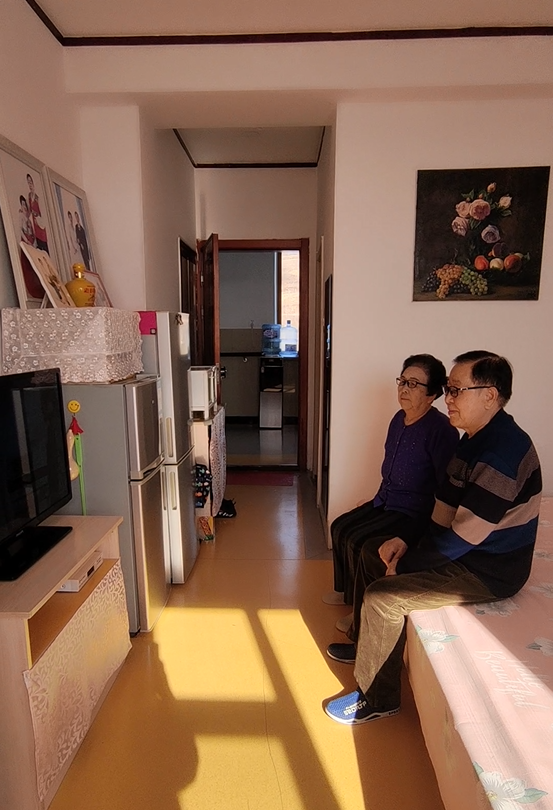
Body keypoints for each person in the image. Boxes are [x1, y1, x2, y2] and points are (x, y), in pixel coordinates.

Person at [324, 351, 542, 725]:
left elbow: (462, 539)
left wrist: (407, 565)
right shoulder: (471, 441)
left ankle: (378, 699)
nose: (448, 398)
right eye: (448, 389)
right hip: (467, 550)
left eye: (456, 390)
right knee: (379, 552)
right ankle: (366, 645)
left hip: (489, 569)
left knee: (383, 598)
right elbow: (442, 509)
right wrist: (406, 540)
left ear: (489, 395)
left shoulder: (501, 454)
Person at [324, 354, 459, 630]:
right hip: (386, 499)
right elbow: (390, 465)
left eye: (414, 384)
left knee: (362, 543)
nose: (404, 389)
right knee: (340, 527)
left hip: (413, 511)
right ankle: (348, 593)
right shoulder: (399, 418)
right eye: (402, 381)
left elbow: (444, 488)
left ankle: (361, 612)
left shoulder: (441, 430)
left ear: (432, 394)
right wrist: (374, 499)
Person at [26, 173, 48, 252]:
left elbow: (43, 216)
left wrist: (37, 215)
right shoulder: (29, 196)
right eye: (28, 183)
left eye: (31, 182)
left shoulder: (37, 198)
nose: (30, 185)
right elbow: (29, 211)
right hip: (34, 228)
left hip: (40, 227)